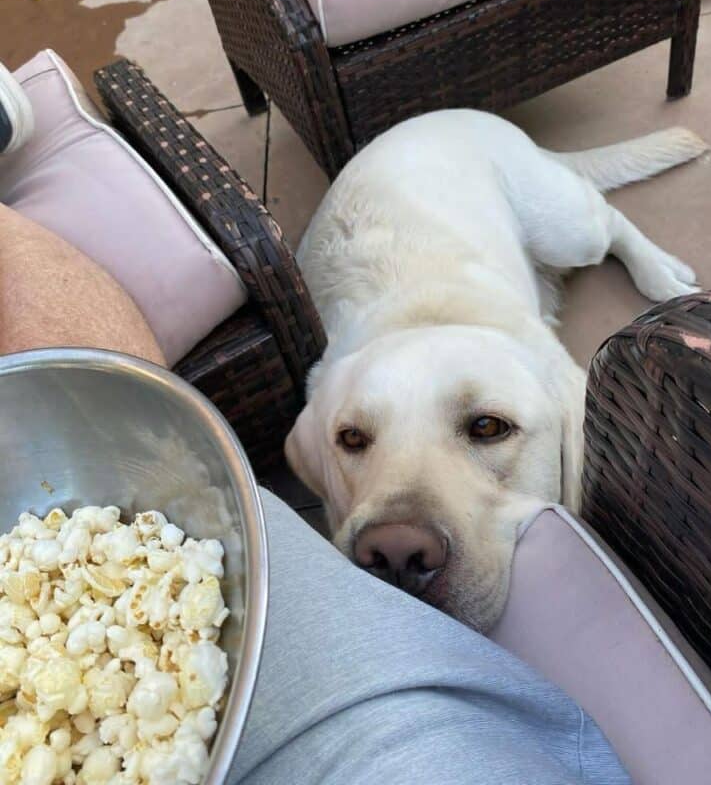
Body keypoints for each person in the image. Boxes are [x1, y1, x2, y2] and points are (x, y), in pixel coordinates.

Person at [0, 67, 628, 784]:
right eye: (355, 442)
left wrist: (625, 248)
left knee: (582, 237)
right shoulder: (336, 392)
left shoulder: (545, 378)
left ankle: (623, 233)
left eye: (485, 428)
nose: (391, 537)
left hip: (467, 154)